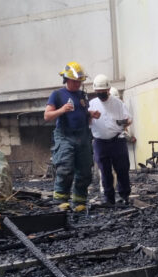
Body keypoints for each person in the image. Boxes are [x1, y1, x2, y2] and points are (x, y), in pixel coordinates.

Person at [44, 62, 100, 211]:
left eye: (80, 81)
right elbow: (47, 116)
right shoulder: (57, 95)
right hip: (64, 135)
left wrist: (90, 114)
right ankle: (60, 201)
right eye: (75, 81)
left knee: (85, 170)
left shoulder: (82, 95)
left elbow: (82, 112)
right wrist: (61, 110)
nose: (78, 84)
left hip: (83, 135)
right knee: (65, 168)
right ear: (66, 79)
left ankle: (79, 202)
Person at [89, 74, 132, 205]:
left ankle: (124, 196)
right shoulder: (92, 104)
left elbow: (129, 119)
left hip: (117, 140)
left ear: (108, 90)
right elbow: (86, 121)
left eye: (104, 91)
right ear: (95, 91)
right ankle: (109, 199)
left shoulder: (118, 104)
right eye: (99, 92)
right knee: (105, 171)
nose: (101, 93)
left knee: (122, 169)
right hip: (100, 142)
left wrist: (123, 123)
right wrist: (89, 116)